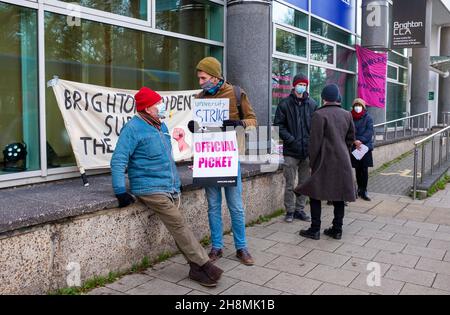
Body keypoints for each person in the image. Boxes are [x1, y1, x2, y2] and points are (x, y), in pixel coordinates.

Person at [111, 87, 223, 287]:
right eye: (157, 103)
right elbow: (118, 160)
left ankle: (195, 269)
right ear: (147, 108)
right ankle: (204, 264)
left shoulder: (160, 125)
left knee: (177, 226)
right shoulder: (133, 128)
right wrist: (120, 191)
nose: (162, 106)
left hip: (168, 186)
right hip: (148, 187)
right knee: (178, 223)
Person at [193, 56, 257, 265]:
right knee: (213, 205)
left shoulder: (236, 93)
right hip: (209, 159)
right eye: (199, 79)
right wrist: (193, 128)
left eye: (203, 78)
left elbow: (253, 121)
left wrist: (239, 122)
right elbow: (198, 128)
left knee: (236, 206)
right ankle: (216, 247)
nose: (201, 82)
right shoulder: (200, 98)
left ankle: (242, 248)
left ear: (214, 76)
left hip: (229, 158)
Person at [294, 84, 356, 240]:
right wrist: (344, 153)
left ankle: (315, 229)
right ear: (337, 98)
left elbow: (314, 142)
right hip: (342, 160)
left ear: (323, 98)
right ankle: (337, 229)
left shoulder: (319, 115)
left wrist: (312, 163)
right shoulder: (347, 114)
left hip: (323, 161)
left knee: (315, 193)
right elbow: (350, 138)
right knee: (339, 195)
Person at [273, 73, 318, 223]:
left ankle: (300, 210)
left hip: (306, 152)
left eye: (305, 85)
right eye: (300, 84)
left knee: (304, 184)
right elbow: (278, 125)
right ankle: (290, 211)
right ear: (294, 85)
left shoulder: (312, 104)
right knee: (290, 184)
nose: (302, 87)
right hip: (291, 152)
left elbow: (317, 126)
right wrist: (291, 139)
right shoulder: (284, 104)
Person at [350, 98, 374, 201]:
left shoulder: (368, 118)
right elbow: (348, 130)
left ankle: (364, 190)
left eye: (360, 105)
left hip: (364, 147)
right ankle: (359, 189)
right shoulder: (349, 117)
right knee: (357, 169)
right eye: (356, 105)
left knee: (364, 170)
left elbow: (369, 131)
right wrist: (354, 141)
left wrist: (360, 141)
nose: (358, 107)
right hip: (354, 147)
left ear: (363, 107)